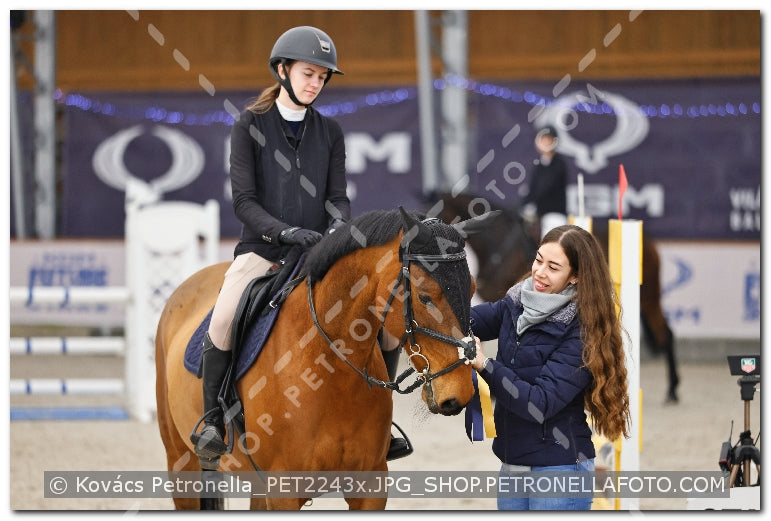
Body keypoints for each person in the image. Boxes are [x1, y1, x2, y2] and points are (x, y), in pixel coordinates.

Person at [191, 25, 354, 461]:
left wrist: (338, 229)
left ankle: (378, 417)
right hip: (263, 252)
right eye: (308, 73)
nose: (315, 84)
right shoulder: (250, 125)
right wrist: (284, 233)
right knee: (223, 317)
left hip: (319, 252)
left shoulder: (330, 131)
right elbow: (244, 202)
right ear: (283, 70)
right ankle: (211, 420)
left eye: (322, 77)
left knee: (373, 306)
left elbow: (338, 197)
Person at [468, 224, 631, 510]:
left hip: (561, 469)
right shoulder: (515, 302)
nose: (540, 272)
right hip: (512, 461)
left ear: (576, 276)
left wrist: (485, 365)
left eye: (553, 267)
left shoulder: (584, 331)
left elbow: (539, 403)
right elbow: (461, 321)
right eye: (538, 259)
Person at [520, 124, 569, 239]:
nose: (546, 142)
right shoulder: (538, 166)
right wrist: (524, 204)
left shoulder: (559, 164)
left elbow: (546, 186)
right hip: (539, 215)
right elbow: (533, 188)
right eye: (543, 139)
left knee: (551, 241)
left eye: (549, 139)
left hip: (554, 214)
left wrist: (532, 203)